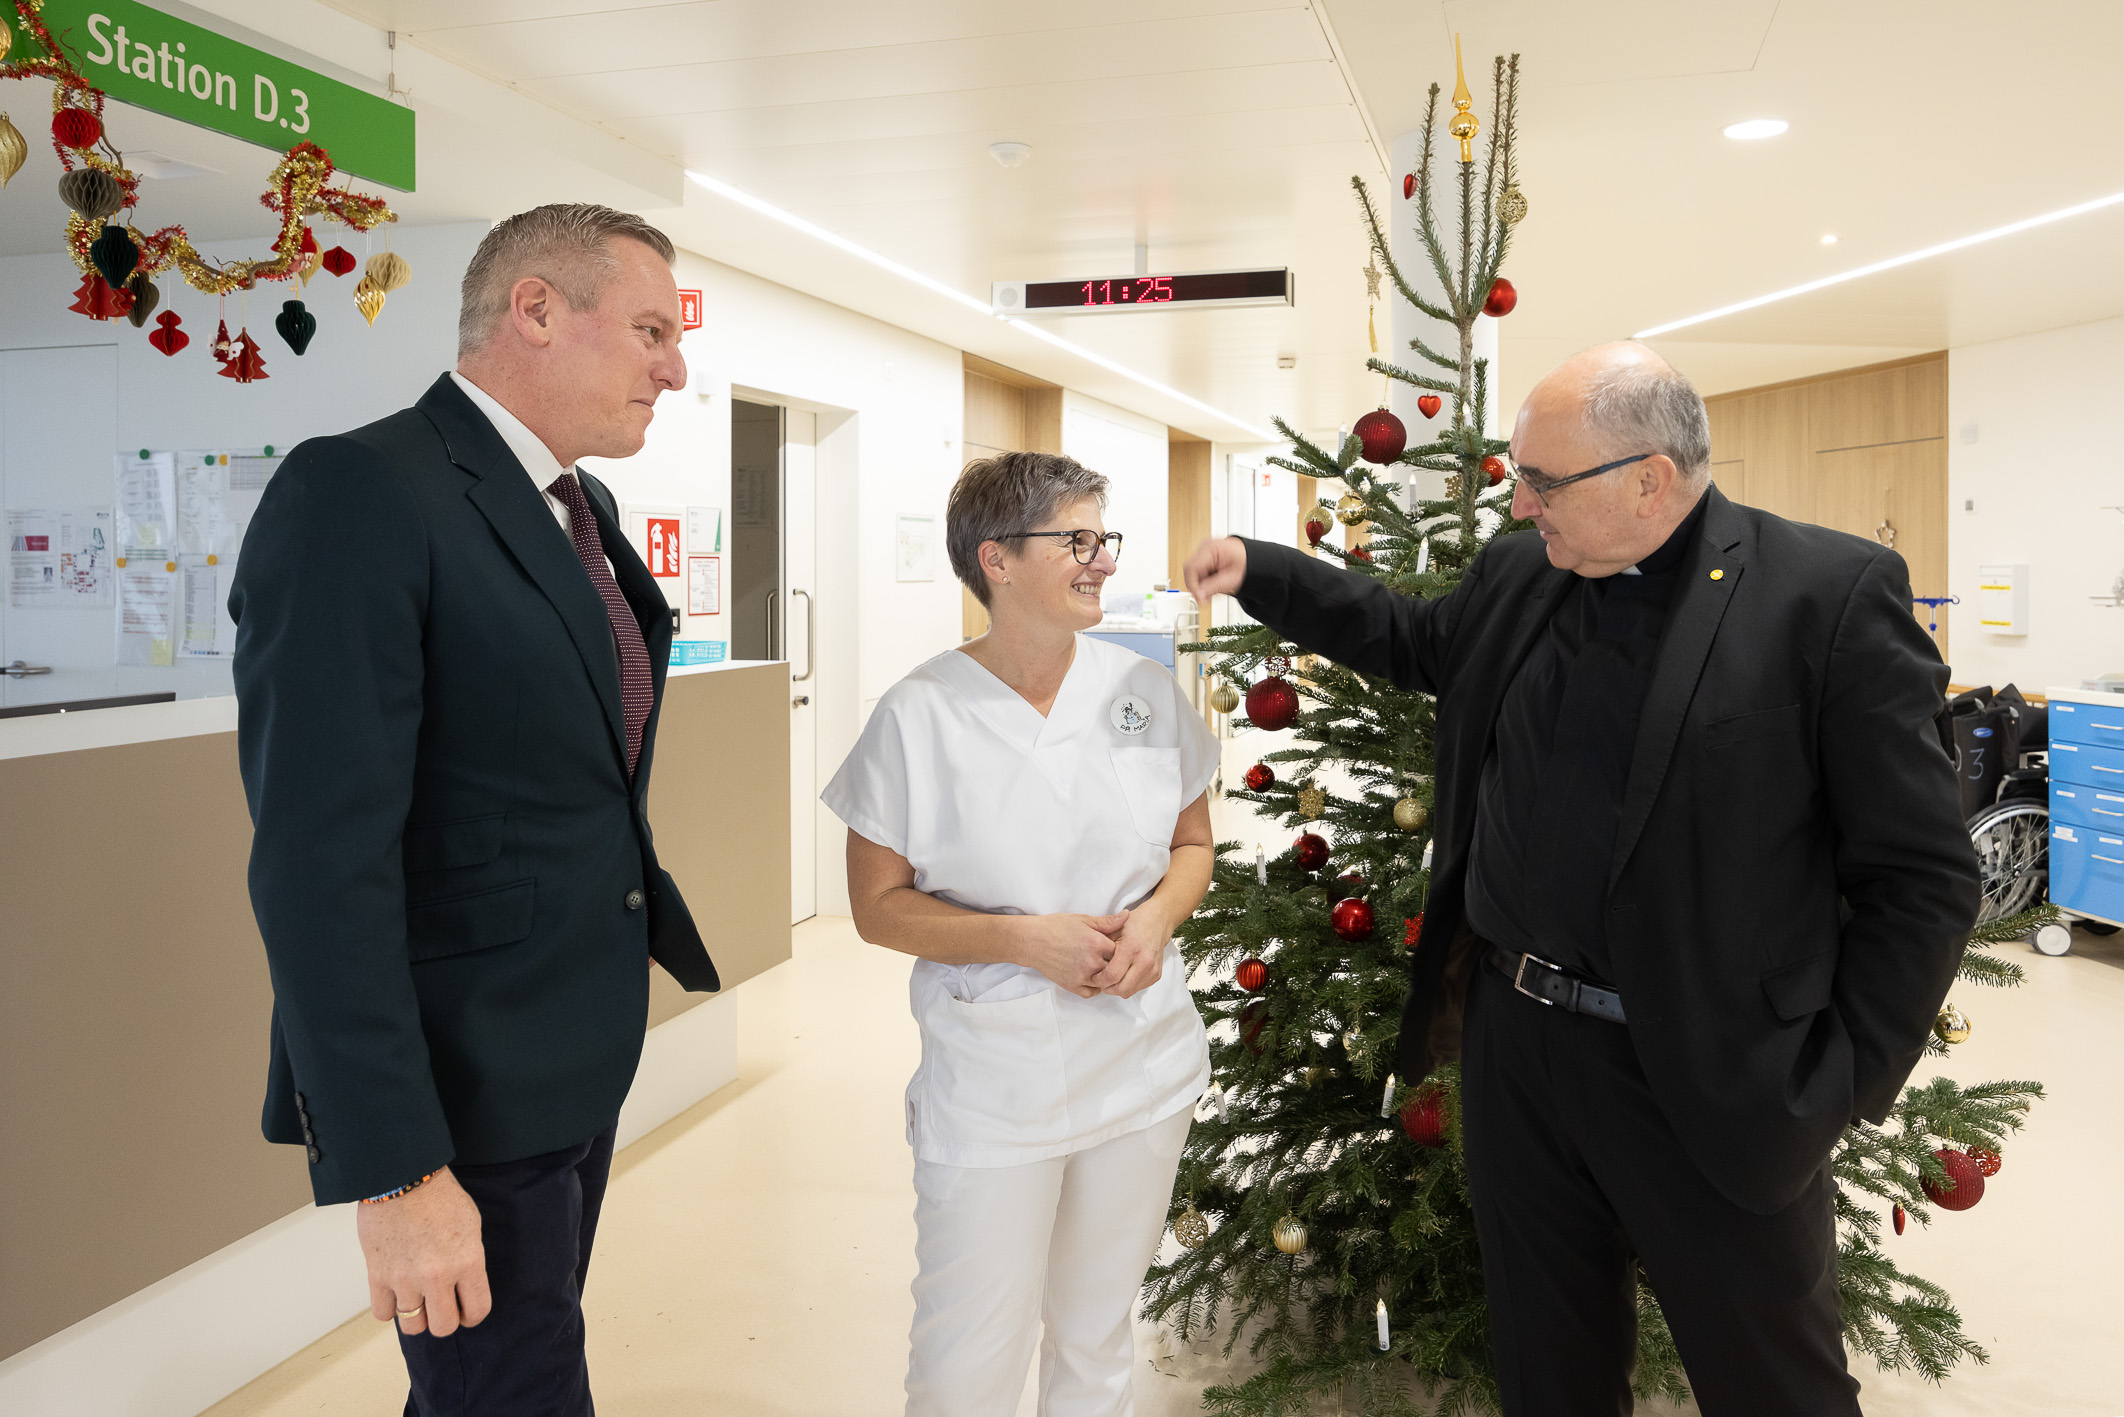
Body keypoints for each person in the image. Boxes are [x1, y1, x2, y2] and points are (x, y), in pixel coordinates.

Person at [1183, 343, 1978, 1415]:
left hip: (1709, 1067)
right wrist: (1264, 569)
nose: (1523, 502)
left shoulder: (1822, 596)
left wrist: (1830, 1086)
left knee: (1771, 1381)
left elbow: (1922, 875)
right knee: (1547, 1364)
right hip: (1521, 1046)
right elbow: (1413, 638)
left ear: (1649, 478)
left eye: (1544, 481)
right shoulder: (1526, 571)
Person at [230, 204, 720, 1417]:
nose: (676, 366)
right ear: (537, 310)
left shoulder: (578, 513)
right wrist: (395, 1172)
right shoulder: (361, 489)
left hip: (565, 1054)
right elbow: (317, 864)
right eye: (652, 330)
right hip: (457, 1086)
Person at [824, 451, 1218, 1417]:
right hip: (997, 1083)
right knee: (968, 1354)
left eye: (1101, 539)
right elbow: (878, 908)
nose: (1099, 560)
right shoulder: (917, 715)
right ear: (995, 560)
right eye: (1075, 540)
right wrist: (1022, 941)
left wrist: (1160, 917)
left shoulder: (1142, 690)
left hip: (1141, 1062)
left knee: (1096, 1335)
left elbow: (1193, 843)